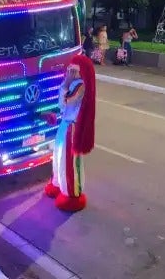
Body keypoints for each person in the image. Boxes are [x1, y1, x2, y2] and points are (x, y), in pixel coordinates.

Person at [43, 54, 96, 212]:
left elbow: (68, 101)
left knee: (70, 162)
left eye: (74, 70)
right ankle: (58, 185)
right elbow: (61, 105)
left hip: (73, 127)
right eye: (69, 69)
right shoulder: (73, 84)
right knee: (58, 157)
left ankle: (72, 194)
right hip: (65, 124)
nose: (70, 72)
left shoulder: (81, 85)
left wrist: (66, 83)